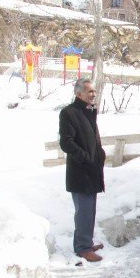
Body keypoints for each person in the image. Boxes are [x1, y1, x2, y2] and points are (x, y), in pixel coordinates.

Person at [59, 78, 106, 262]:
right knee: (84, 210)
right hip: (81, 172)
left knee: (90, 209)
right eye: (89, 91)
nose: (93, 94)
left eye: (94, 91)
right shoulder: (69, 113)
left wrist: (100, 154)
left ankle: (86, 242)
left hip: (92, 170)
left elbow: (93, 138)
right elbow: (66, 142)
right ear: (79, 94)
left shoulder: (89, 111)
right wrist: (86, 158)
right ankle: (82, 248)